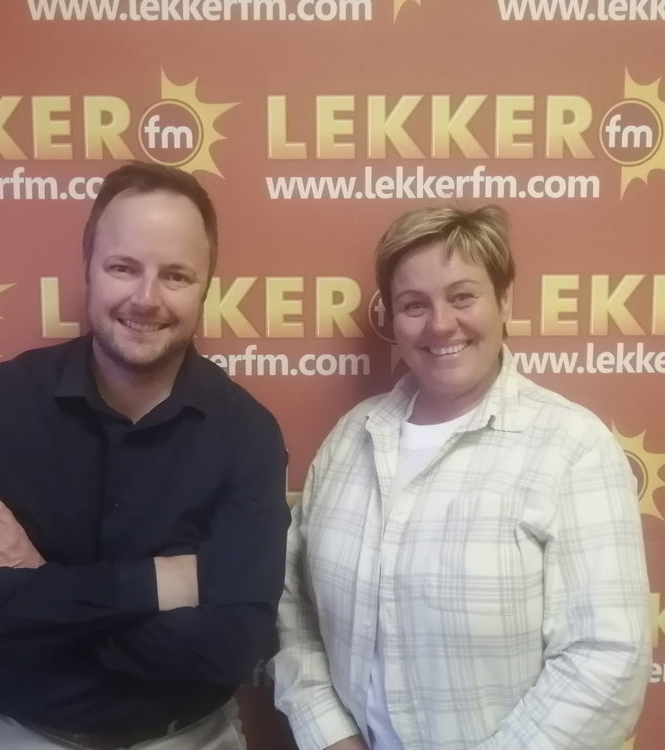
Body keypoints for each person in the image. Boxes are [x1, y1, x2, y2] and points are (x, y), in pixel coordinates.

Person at [0, 161, 289, 750]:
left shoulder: (248, 433)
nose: (146, 298)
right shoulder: (0, 403)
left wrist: (36, 584)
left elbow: (233, 646)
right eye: (123, 267)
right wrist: (155, 584)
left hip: (188, 739)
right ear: (87, 267)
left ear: (206, 287)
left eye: (176, 275)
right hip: (14, 735)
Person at [271, 205, 650, 750]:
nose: (440, 324)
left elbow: (606, 663)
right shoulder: (351, 438)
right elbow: (295, 609)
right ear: (392, 320)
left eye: (463, 296)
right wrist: (330, 736)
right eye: (414, 304)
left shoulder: (573, 447)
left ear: (504, 301)